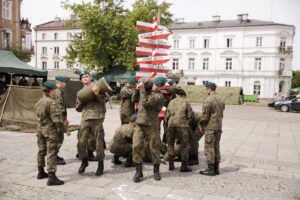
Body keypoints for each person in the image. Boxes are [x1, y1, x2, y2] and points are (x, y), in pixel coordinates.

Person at [34, 82, 71, 186]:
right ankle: (52, 176)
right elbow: (57, 120)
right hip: (50, 131)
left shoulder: (39, 102)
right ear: (52, 90)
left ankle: (40, 172)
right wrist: (66, 130)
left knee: (41, 150)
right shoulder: (51, 102)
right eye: (54, 90)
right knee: (52, 152)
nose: (55, 92)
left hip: (40, 130)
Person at [132, 77, 166, 183]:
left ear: (161, 87)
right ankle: (139, 171)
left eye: (158, 86)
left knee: (154, 148)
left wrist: (142, 90)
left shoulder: (158, 96)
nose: (156, 87)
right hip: (140, 123)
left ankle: (156, 170)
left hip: (152, 125)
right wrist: (137, 89)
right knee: (136, 146)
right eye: (155, 84)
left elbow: (145, 104)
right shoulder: (146, 90)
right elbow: (134, 99)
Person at [76, 71, 107, 176]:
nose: (85, 78)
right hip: (85, 118)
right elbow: (78, 109)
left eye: (86, 76)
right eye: (83, 77)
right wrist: (80, 103)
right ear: (81, 80)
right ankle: (84, 161)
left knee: (98, 143)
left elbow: (104, 100)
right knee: (81, 142)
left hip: (97, 118)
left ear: (90, 77)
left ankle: (100, 165)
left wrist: (97, 94)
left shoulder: (98, 87)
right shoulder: (81, 92)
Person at [199, 82, 225, 176]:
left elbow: (205, 116)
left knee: (209, 147)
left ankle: (210, 169)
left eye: (206, 89)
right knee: (216, 147)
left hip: (210, 127)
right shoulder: (220, 99)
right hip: (218, 126)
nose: (206, 90)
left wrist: (201, 125)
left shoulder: (208, 99)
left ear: (209, 89)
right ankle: (216, 169)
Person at [165, 88, 194, 172]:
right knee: (185, 145)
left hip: (171, 125)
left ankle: (171, 165)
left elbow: (167, 116)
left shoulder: (171, 102)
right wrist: (186, 123)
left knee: (170, 144)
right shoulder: (186, 102)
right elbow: (190, 115)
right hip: (182, 125)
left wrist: (168, 123)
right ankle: (184, 166)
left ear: (176, 94)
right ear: (183, 95)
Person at [54, 76, 69, 165]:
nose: (65, 84)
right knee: (59, 138)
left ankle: (55, 155)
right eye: (64, 82)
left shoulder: (57, 91)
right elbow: (60, 108)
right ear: (58, 82)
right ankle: (54, 157)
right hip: (58, 119)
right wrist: (63, 120)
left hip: (57, 118)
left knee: (58, 138)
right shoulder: (58, 92)